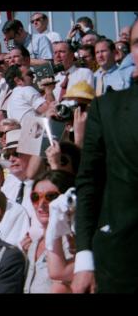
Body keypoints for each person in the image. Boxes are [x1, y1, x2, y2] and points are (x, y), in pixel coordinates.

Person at [73, 19, 138, 293]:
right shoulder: (107, 108)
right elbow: (89, 183)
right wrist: (84, 257)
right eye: (137, 43)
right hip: (124, 262)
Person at [23, 170, 75, 293]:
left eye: (50, 196)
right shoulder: (33, 244)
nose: (41, 204)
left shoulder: (73, 241)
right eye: (35, 197)